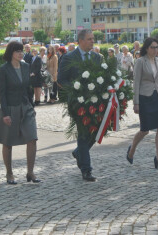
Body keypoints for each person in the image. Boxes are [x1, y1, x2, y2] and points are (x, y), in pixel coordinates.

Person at [0, 41, 40, 184]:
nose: (21, 53)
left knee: (32, 138)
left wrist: (31, 106)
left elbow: (28, 89)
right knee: (8, 142)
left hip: (26, 107)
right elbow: (2, 93)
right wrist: (5, 113)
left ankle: (30, 172)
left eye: (22, 51)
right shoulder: (4, 69)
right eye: (17, 51)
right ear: (11, 53)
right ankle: (9, 174)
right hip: (11, 108)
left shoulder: (26, 66)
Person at [58, 29, 101, 181]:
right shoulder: (69, 58)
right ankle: (86, 169)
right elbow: (61, 79)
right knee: (83, 134)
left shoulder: (97, 57)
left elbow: (103, 77)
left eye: (93, 39)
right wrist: (76, 90)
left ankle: (78, 153)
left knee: (97, 131)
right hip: (77, 102)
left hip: (96, 102)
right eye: (89, 39)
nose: (92, 41)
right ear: (81, 41)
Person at [126, 38, 158, 170]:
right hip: (144, 98)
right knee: (145, 130)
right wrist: (136, 102)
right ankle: (132, 149)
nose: (156, 50)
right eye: (153, 47)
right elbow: (136, 82)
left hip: (157, 97)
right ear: (147, 48)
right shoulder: (140, 61)